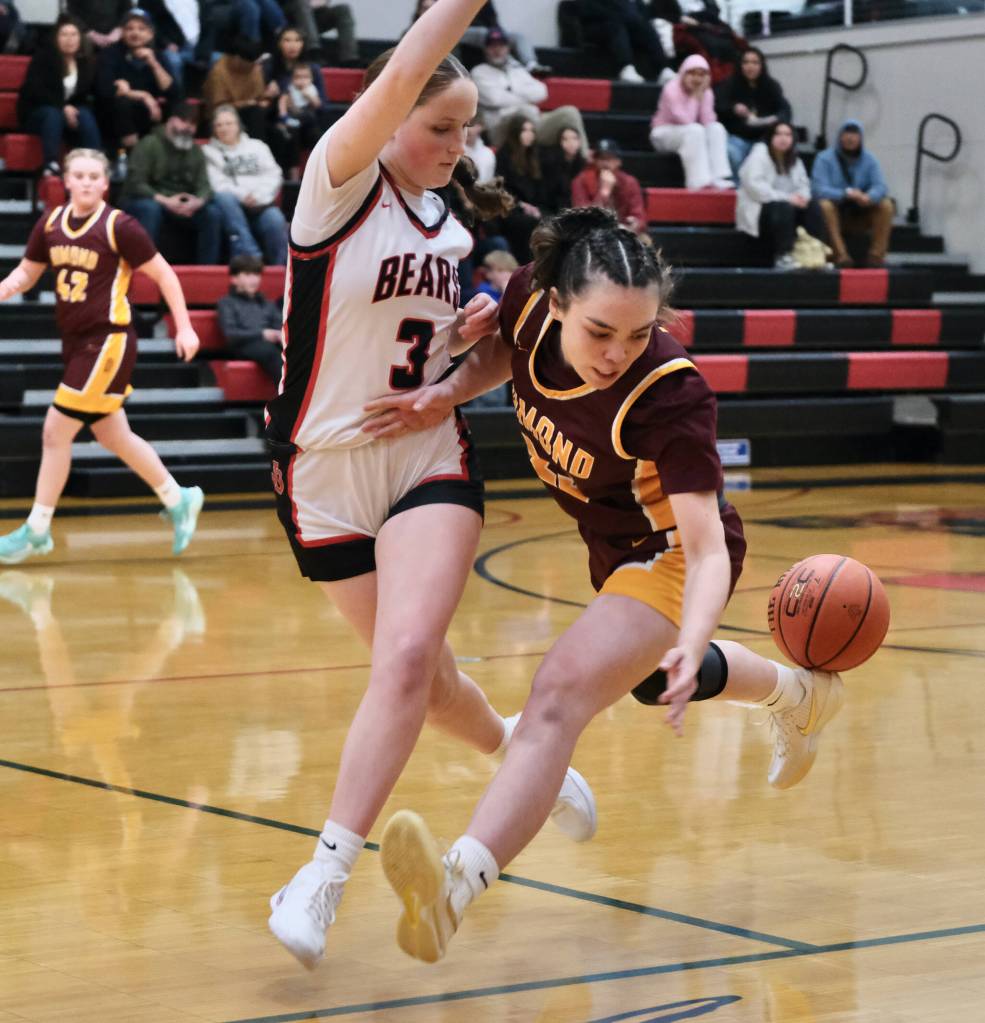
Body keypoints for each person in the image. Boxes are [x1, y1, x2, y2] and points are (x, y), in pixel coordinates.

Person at [363, 206, 845, 962]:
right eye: (599, 332)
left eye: (637, 333)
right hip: (610, 547)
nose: (617, 351)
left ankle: (449, 892)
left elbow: (708, 546)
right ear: (554, 302)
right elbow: (507, 357)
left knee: (557, 694)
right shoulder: (526, 298)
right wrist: (442, 395)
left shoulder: (668, 393)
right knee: (651, 682)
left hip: (670, 556)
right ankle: (799, 693)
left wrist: (690, 635)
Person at [263, 0, 596, 972]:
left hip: (426, 459)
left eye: (466, 131)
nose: (456, 144)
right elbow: (405, 67)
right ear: (391, 113)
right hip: (320, 469)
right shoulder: (337, 185)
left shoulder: (449, 230)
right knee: (429, 682)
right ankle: (520, 756)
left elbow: (468, 354)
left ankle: (321, 874)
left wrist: (461, 361)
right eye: (439, 125)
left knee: (407, 662)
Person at [0, 149, 205, 565]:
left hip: (108, 341)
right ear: (67, 181)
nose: (88, 181)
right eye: (80, 174)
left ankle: (37, 529)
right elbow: (27, 272)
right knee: (112, 435)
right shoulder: (51, 223)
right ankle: (178, 497)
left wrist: (183, 326)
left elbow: (164, 273)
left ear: (105, 183)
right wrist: (5, 286)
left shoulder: (119, 226)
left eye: (95, 175)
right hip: (76, 344)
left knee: (55, 432)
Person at [121, 102, 223, 265]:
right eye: (184, 121)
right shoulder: (149, 143)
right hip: (149, 200)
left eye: (193, 124)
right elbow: (136, 184)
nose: (188, 128)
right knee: (150, 209)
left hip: (181, 205)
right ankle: (145, 266)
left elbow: (204, 185)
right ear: (171, 120)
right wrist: (165, 201)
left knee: (212, 214)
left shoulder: (196, 151)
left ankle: (206, 270)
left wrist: (197, 202)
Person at [471, 27, 587, 149]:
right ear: (485, 49)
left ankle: (583, 158)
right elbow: (494, 99)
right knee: (523, 112)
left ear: (508, 48)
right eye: (492, 46)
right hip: (502, 126)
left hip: (533, 122)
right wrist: (527, 97)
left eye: (501, 45)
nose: (497, 50)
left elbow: (542, 91)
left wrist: (511, 92)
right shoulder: (479, 72)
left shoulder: (516, 69)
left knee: (570, 112)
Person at [17, 13, 102, 177]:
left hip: (68, 116)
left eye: (73, 35)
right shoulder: (43, 58)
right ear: (56, 38)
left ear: (80, 38)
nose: (69, 39)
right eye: (64, 34)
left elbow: (85, 96)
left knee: (84, 114)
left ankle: (95, 163)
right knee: (53, 114)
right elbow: (35, 92)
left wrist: (70, 109)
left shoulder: (86, 63)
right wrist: (62, 107)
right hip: (39, 113)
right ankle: (51, 163)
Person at [204, 105, 288, 266]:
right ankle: (250, 255)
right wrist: (243, 196)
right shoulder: (208, 152)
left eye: (228, 123)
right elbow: (216, 183)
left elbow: (274, 174)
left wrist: (258, 196)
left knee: (275, 220)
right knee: (224, 198)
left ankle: (281, 269)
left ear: (238, 125)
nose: (224, 128)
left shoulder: (258, 146)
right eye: (219, 125)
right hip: (232, 208)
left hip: (260, 205)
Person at [736, 121, 825, 270]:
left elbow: (804, 185)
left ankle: (815, 252)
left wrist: (802, 198)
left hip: (788, 207)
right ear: (770, 137)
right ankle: (783, 256)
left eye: (788, 135)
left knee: (813, 205)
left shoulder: (795, 160)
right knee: (784, 208)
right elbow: (755, 188)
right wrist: (788, 198)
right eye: (778, 134)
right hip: (760, 211)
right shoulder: (759, 155)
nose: (783, 138)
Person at [811, 119, 893, 269]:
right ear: (839, 137)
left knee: (886, 205)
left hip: (860, 214)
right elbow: (818, 189)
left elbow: (881, 186)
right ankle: (841, 255)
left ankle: (876, 256)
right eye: (846, 134)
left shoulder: (870, 160)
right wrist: (846, 194)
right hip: (834, 216)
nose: (850, 138)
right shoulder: (824, 158)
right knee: (824, 205)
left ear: (861, 138)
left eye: (854, 134)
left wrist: (869, 197)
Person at [93, 7, 176, 153]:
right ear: (122, 33)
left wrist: (154, 63)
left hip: (150, 115)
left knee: (174, 106)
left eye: (141, 29)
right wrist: (144, 96)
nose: (135, 33)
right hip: (116, 120)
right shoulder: (110, 54)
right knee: (122, 103)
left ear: (150, 34)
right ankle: (130, 155)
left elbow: (172, 91)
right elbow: (105, 89)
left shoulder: (158, 56)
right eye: (129, 28)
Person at [650, 54, 733, 191]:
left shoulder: (706, 91)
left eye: (701, 75)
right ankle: (699, 182)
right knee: (695, 130)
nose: (696, 78)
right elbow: (685, 119)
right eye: (692, 73)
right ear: (683, 72)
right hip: (663, 133)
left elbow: (708, 122)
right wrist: (695, 96)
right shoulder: (671, 89)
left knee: (717, 128)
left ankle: (719, 177)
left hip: (689, 133)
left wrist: (704, 95)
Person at [714, 47, 791, 180]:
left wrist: (776, 120)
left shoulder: (772, 86)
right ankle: (736, 191)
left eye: (755, 63)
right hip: (737, 137)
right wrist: (733, 109)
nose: (750, 66)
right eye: (746, 62)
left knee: (763, 155)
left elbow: (785, 110)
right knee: (732, 153)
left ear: (762, 66)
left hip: (763, 138)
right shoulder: (729, 84)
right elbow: (718, 107)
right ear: (740, 65)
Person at [216, 253, 283, 380]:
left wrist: (277, 334)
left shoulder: (267, 303)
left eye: (256, 274)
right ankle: (288, 395)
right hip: (243, 347)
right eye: (248, 275)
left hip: (270, 346)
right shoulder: (226, 303)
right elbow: (231, 334)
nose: (254, 279)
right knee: (271, 352)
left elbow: (279, 325)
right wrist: (263, 334)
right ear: (234, 278)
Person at [576, 0, 674, 84]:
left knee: (645, 27)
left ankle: (663, 69)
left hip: (623, 25)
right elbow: (586, 10)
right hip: (595, 26)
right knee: (616, 24)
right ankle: (625, 67)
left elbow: (643, 12)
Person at [494, 114, 548, 263]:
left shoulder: (535, 156)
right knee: (527, 223)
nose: (529, 134)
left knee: (549, 220)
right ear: (515, 132)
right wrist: (522, 205)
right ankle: (525, 266)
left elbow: (541, 190)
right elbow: (502, 189)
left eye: (531, 130)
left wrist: (536, 208)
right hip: (509, 208)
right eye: (525, 130)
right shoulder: (504, 155)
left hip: (532, 207)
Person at [571, 138, 648, 237]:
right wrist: (604, 192)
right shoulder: (580, 181)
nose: (605, 163)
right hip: (591, 234)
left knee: (645, 240)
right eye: (601, 159)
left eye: (610, 158)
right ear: (595, 161)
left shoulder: (630, 182)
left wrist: (634, 224)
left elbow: (639, 216)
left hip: (624, 232)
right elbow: (582, 218)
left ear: (618, 162)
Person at [202, 35, 270, 142]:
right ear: (238, 59)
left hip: (252, 110)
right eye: (251, 63)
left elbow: (260, 96)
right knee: (255, 114)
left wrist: (265, 101)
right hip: (224, 115)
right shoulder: (219, 72)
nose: (254, 66)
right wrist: (245, 103)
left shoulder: (255, 69)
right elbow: (218, 106)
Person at [273, 63, 325, 181]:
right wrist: (284, 117)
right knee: (292, 136)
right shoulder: (289, 89)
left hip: (307, 120)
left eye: (305, 77)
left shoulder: (311, 89)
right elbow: (282, 103)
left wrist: (310, 96)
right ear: (292, 79)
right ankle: (294, 176)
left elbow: (318, 105)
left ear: (311, 79)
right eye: (298, 77)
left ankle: (318, 171)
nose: (301, 80)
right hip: (292, 119)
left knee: (316, 134)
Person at [540, 124, 586, 214]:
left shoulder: (582, 163)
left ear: (580, 141)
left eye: (574, 138)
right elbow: (549, 194)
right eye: (565, 139)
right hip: (553, 208)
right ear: (559, 142)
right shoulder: (551, 162)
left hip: (577, 206)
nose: (570, 143)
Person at [464, 115, 496, 184]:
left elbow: (488, 182)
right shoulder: (454, 150)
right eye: (464, 124)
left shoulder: (488, 154)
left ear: (481, 126)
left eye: (472, 124)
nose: (468, 129)